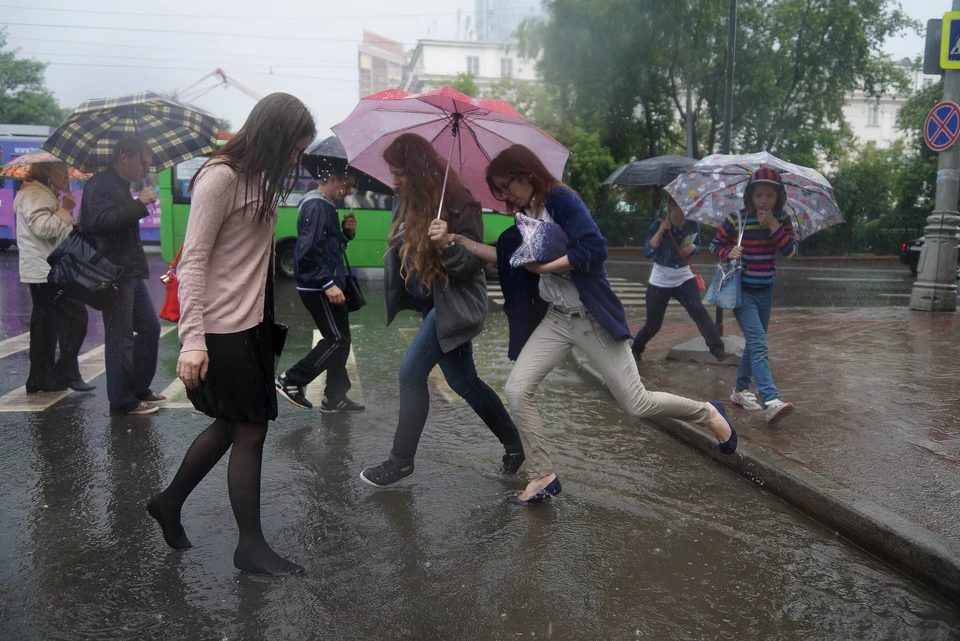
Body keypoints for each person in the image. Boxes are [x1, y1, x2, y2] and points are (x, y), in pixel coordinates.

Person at [452, 144, 738, 505]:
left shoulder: (560, 200)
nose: (504, 195)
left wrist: (544, 268)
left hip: (591, 318)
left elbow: (594, 249)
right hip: (557, 319)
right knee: (517, 389)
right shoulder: (525, 212)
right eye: (498, 190)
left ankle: (708, 411)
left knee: (637, 403)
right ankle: (542, 475)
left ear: (525, 174)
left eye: (505, 186)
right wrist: (459, 240)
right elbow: (509, 256)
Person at [146, 93, 316, 575]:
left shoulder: (258, 179)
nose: (295, 159)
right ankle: (250, 546)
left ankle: (169, 502)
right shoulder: (220, 177)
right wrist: (193, 340)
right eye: (293, 148)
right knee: (249, 430)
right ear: (273, 136)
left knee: (230, 423)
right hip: (222, 328)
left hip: (252, 322)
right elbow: (194, 259)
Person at [359, 133, 525, 487]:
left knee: (410, 373)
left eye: (399, 172)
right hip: (430, 301)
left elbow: (469, 267)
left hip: (455, 302)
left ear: (417, 170)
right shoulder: (406, 198)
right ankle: (515, 444)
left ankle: (401, 462)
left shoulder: (461, 202)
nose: (395, 180)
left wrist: (448, 242)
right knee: (464, 382)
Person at [81, 137, 163, 415]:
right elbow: (98, 223)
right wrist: (138, 204)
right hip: (111, 272)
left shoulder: (121, 185)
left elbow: (119, 222)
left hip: (129, 270)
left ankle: (139, 388)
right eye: (143, 162)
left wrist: (136, 203)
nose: (146, 169)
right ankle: (121, 400)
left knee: (150, 327)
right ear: (124, 157)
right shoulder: (99, 184)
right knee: (120, 337)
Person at [710, 166, 798, 425]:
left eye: (769, 195)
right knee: (759, 344)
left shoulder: (782, 219)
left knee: (754, 343)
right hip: (742, 292)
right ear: (750, 196)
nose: (764, 200)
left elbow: (791, 251)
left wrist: (773, 225)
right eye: (759, 195)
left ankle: (739, 390)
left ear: (778, 197)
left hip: (766, 290)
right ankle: (771, 400)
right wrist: (728, 253)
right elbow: (715, 244)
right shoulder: (737, 219)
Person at [276, 169, 365, 412]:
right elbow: (307, 254)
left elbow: (328, 249)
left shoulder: (326, 205)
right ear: (333, 178)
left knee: (342, 340)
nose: (350, 191)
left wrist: (345, 234)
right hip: (319, 287)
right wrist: (327, 283)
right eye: (348, 185)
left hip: (325, 284)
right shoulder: (317, 206)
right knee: (336, 340)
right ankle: (291, 380)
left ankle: (335, 396)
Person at [13, 162, 93, 393]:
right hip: (45, 271)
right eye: (62, 171)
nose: (68, 175)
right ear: (48, 172)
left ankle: (43, 378)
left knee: (46, 326)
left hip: (48, 268)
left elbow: (52, 230)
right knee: (75, 318)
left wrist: (70, 221)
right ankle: (60, 374)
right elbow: (44, 229)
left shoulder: (43, 193)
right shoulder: (35, 193)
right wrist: (65, 209)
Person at [631, 194, 725, 364]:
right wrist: (661, 231)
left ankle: (718, 349)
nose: (683, 212)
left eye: (687, 208)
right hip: (660, 279)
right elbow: (648, 251)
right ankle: (636, 349)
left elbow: (698, 245)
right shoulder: (658, 224)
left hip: (683, 276)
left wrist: (692, 247)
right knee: (653, 325)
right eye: (680, 207)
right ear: (672, 207)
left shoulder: (692, 224)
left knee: (698, 309)